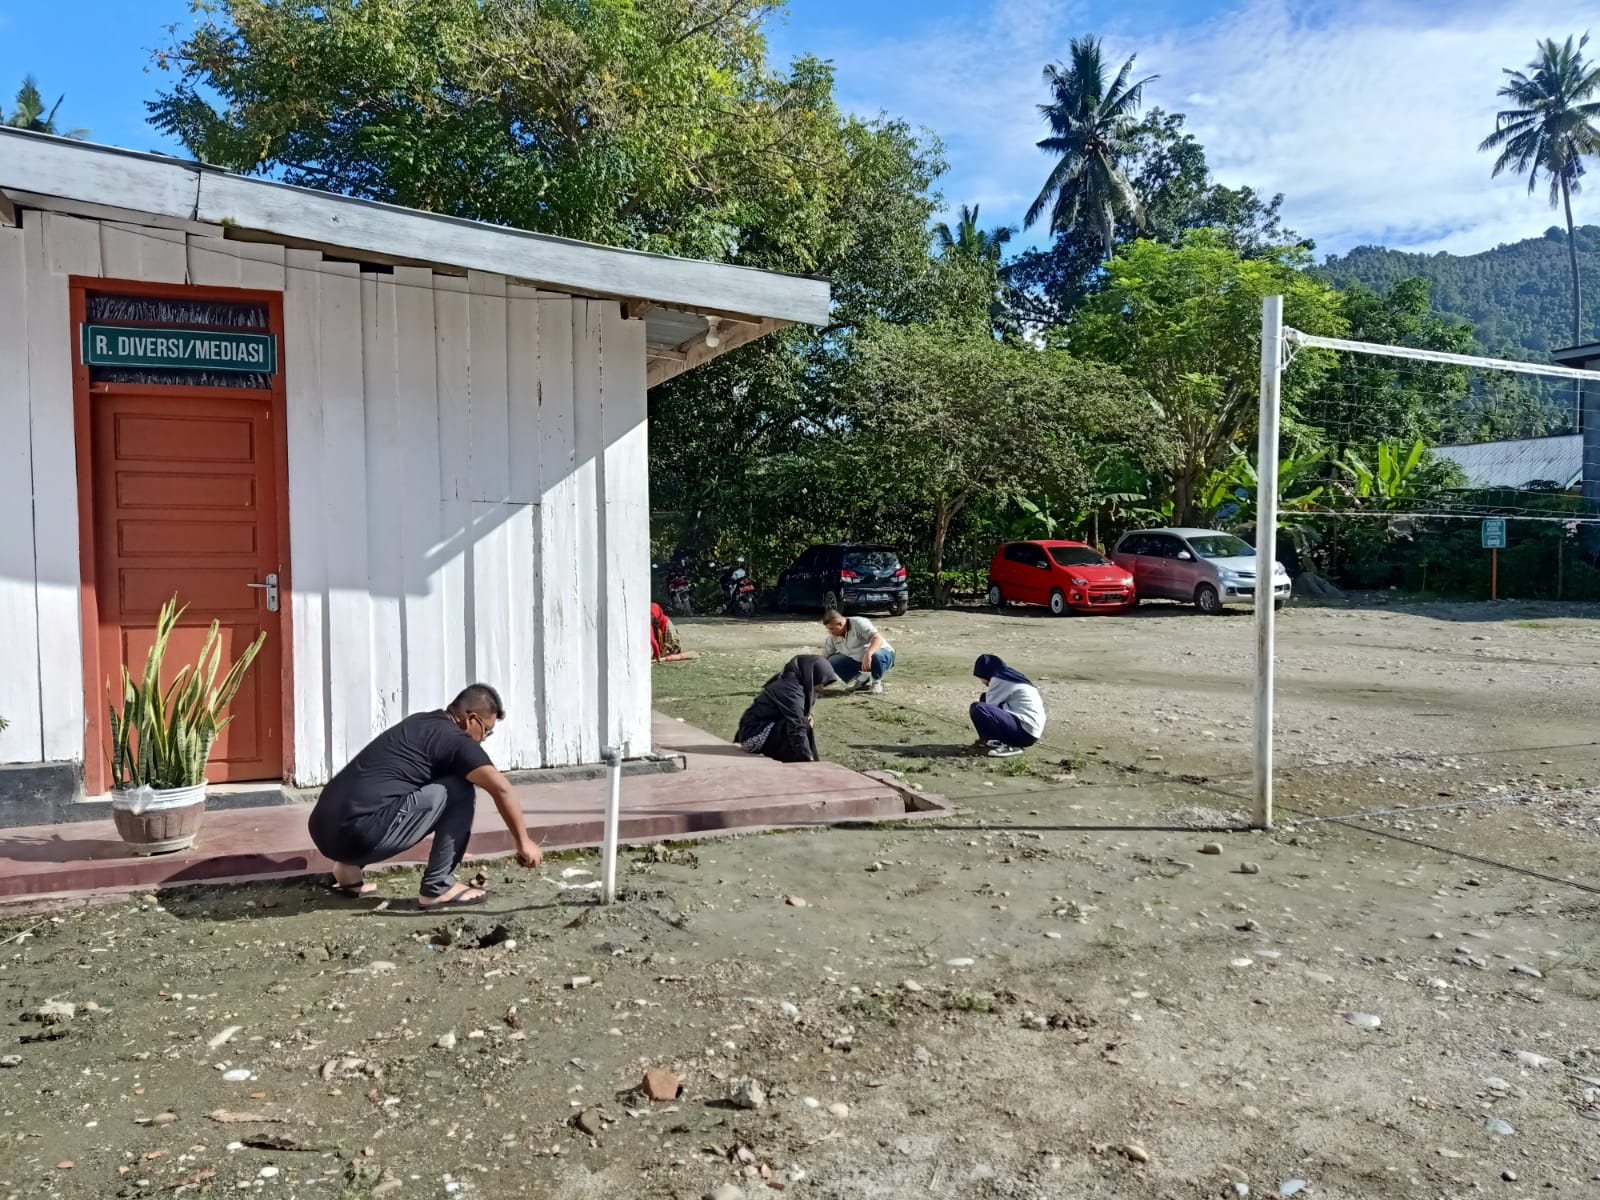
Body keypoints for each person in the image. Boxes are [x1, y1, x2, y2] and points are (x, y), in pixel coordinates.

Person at [308, 684, 543, 909]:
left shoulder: (420, 722)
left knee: (399, 789)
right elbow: (501, 788)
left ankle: (348, 869)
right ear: (471, 719)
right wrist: (524, 842)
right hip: (358, 835)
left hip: (322, 829)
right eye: (486, 731)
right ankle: (438, 887)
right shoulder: (456, 740)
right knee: (458, 788)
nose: (482, 740)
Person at [735, 655, 838, 763]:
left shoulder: (793, 682)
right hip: (753, 737)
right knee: (800, 725)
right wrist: (808, 760)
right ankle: (803, 762)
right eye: (821, 681)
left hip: (756, 731)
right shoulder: (790, 689)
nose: (822, 687)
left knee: (803, 722)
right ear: (812, 675)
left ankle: (806, 760)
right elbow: (796, 726)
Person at [970, 654, 1046, 758]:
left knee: (978, 708)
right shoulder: (1010, 676)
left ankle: (1011, 745)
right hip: (1029, 730)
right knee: (984, 698)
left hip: (1025, 733)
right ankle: (996, 740)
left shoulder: (999, 680)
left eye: (980, 678)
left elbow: (989, 707)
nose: (982, 682)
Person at [821, 608, 895, 694]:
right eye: (828, 629)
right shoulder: (832, 638)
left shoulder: (859, 623)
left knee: (875, 655)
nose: (830, 632)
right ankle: (862, 681)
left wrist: (868, 654)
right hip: (860, 662)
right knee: (832, 660)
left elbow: (877, 638)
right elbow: (824, 658)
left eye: (832, 629)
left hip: (883, 657)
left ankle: (876, 683)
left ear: (840, 624)